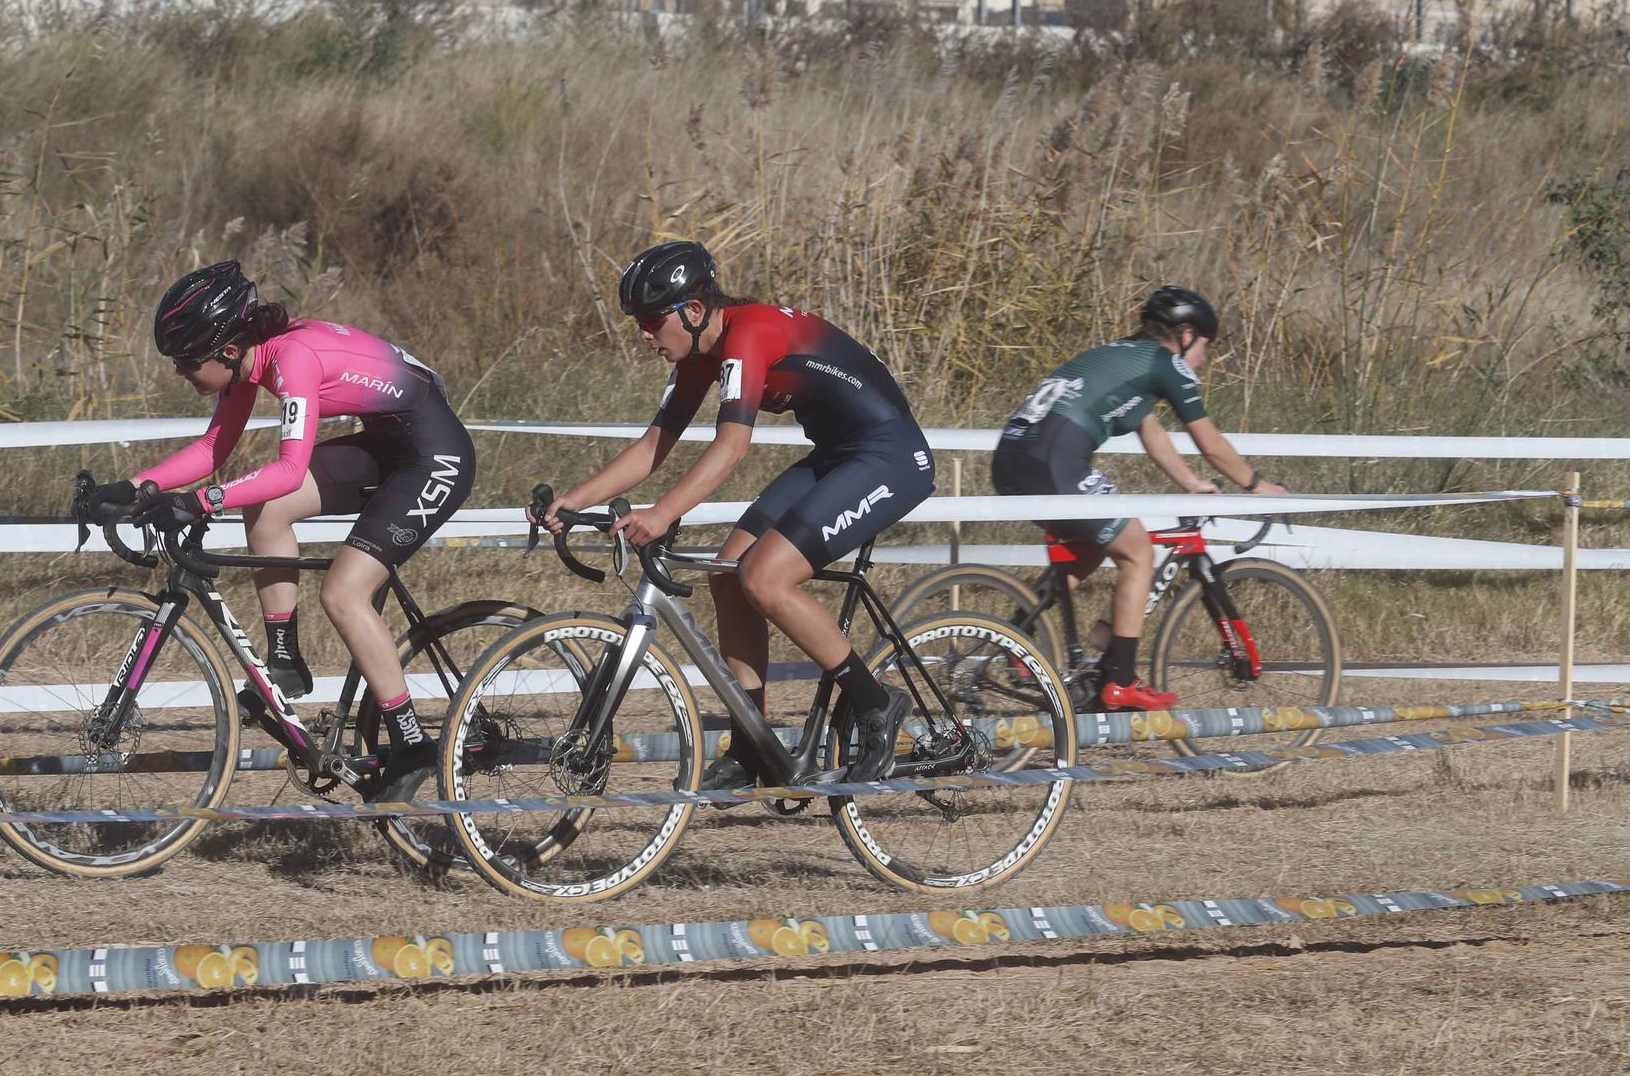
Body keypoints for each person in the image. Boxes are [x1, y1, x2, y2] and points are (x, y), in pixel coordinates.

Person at [539, 242, 935, 791]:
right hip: (837, 455)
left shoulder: (748, 336)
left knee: (765, 577)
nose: (644, 335)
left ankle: (875, 702)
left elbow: (731, 448)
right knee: (728, 576)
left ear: (694, 311)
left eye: (652, 321)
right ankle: (754, 742)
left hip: (889, 456)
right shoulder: (700, 353)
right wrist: (574, 499)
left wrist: (664, 513)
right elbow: (655, 443)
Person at [91, 260, 474, 798]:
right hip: (388, 445)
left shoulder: (291, 359)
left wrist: (200, 503)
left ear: (225, 349)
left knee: (343, 592)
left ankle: (411, 744)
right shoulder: (249, 360)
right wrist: (133, 487)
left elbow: (290, 469)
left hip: (435, 457)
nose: (180, 372)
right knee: (267, 510)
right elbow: (212, 449)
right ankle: (285, 663)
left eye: (184, 360)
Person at [990, 286, 1288, 712]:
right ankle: (1122, 680)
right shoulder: (1165, 363)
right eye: (1205, 346)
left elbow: (1151, 429)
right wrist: (1257, 484)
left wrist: (1189, 482)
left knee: (1093, 546)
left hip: (1013, 457)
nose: (1204, 359)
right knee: (1138, 552)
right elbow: (1211, 442)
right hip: (1054, 462)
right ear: (1186, 335)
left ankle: (1015, 636)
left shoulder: (1126, 354)